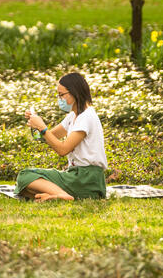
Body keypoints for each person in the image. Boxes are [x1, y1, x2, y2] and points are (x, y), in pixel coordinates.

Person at [17, 72, 107, 201]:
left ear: (75, 92)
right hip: (76, 175)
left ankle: (63, 196)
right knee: (25, 187)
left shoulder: (87, 117)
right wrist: (36, 124)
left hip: (87, 178)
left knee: (25, 176)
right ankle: (54, 196)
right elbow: (49, 137)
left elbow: (63, 150)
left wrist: (42, 127)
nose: (60, 99)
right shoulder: (73, 116)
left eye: (62, 95)